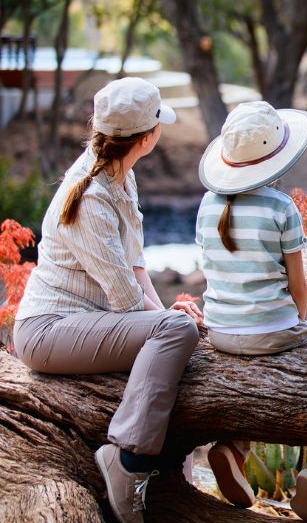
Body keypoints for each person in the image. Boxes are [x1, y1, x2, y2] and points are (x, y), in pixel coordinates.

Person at [12, 77, 203, 523]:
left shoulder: (120, 176)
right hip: (48, 331)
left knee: (178, 331)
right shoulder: (91, 196)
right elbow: (123, 297)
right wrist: (168, 325)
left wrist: (163, 316)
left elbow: (135, 266)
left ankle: (174, 479)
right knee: (178, 330)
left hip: (86, 323)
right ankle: (128, 460)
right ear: (148, 136)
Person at [195, 101, 307, 520]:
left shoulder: (207, 205)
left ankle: (233, 448)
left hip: (221, 330)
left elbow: (210, 271)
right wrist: (300, 323)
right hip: (275, 331)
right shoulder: (282, 209)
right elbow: (298, 286)